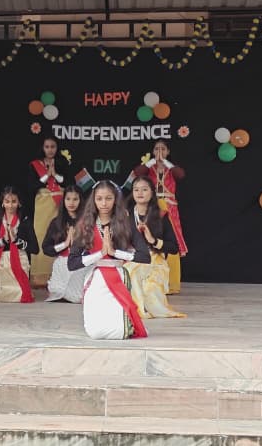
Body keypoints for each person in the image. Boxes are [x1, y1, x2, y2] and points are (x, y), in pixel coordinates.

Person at [67, 181, 151, 340]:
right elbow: (72, 263)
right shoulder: (85, 225)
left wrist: (115, 253)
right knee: (95, 333)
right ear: (93, 200)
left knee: (119, 332)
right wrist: (99, 254)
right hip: (96, 277)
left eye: (108, 198)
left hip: (118, 276)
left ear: (115, 199)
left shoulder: (125, 223)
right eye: (99, 199)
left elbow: (145, 256)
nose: (104, 203)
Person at [126, 176, 186, 319]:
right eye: (136, 190)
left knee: (150, 289)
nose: (140, 193)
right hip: (131, 259)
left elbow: (173, 247)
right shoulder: (125, 215)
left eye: (144, 189)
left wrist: (153, 241)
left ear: (152, 192)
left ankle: (144, 309)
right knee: (130, 275)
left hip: (155, 262)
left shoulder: (161, 215)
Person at [134, 139, 188, 294]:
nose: (159, 152)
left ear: (168, 152)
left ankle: (172, 284)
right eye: (157, 149)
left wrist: (165, 162)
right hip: (153, 207)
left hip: (170, 208)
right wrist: (153, 161)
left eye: (163, 149)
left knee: (172, 242)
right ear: (152, 151)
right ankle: (150, 280)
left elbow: (181, 175)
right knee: (152, 239)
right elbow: (137, 173)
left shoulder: (172, 169)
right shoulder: (149, 168)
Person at [0, 186, 38, 303]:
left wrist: (17, 241)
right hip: (2, 261)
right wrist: (3, 241)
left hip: (20, 259)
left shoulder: (25, 221)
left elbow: (35, 249)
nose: (10, 205)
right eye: (7, 202)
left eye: (14, 201)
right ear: (2, 203)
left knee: (20, 293)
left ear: (19, 203)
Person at [28, 137, 69, 288]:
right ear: (42, 148)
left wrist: (55, 174)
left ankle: (58, 275)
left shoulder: (62, 162)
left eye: (53, 146)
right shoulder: (34, 165)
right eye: (47, 147)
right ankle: (40, 277)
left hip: (60, 203)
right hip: (42, 203)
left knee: (58, 235)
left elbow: (68, 182)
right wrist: (47, 176)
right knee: (41, 235)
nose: (50, 150)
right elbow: (31, 186)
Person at [43, 186, 86, 303]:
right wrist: (65, 244)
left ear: (81, 200)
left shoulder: (87, 221)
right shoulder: (56, 222)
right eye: (68, 199)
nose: (71, 203)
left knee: (76, 296)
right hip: (61, 264)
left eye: (75, 199)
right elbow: (46, 249)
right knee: (57, 293)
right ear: (63, 200)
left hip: (80, 264)